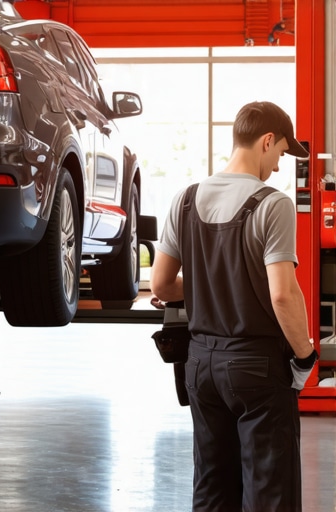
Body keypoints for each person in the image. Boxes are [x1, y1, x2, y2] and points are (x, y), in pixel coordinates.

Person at [150, 101, 318, 512]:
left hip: (200, 366)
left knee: (212, 486)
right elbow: (283, 294)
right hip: (256, 368)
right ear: (266, 141)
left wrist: (212, 284)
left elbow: (161, 285)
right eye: (280, 153)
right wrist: (304, 355)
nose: (278, 166)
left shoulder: (185, 198)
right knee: (269, 490)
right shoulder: (272, 203)